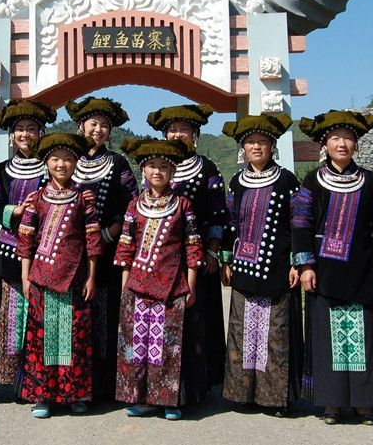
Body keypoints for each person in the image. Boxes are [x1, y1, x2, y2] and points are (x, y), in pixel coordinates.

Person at [291, 110, 373, 425]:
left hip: (361, 270)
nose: (342, 144)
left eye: (348, 138)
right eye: (335, 138)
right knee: (326, 336)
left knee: (362, 335)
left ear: (356, 144)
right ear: (325, 144)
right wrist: (305, 265)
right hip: (324, 272)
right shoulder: (312, 180)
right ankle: (331, 401)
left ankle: (363, 401)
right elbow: (301, 223)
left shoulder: (369, 181)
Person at [114, 137, 204, 421]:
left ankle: (168, 401)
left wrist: (191, 285)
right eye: (151, 165)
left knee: (167, 346)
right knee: (139, 345)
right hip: (137, 285)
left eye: (164, 166)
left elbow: (193, 245)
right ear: (143, 170)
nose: (157, 171)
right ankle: (142, 399)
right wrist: (125, 285)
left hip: (172, 287)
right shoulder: (133, 206)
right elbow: (126, 245)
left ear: (173, 171)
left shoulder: (183, 205)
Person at [219, 113, 302, 415]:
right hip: (243, 268)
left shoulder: (287, 180)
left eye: (262, 141)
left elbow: (298, 224)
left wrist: (297, 262)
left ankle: (274, 398)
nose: (256, 147)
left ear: (272, 146)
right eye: (250, 142)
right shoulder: (236, 182)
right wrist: (226, 260)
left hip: (278, 268)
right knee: (243, 332)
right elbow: (230, 223)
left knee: (275, 333)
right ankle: (242, 394)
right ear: (243, 148)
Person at [146, 104, 228, 396]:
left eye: (184, 129)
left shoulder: (207, 168)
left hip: (198, 256)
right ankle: (162, 380)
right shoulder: (156, 168)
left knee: (197, 317)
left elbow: (219, 214)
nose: (178, 134)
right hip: (163, 259)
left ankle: (196, 384)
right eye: (172, 129)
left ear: (195, 134)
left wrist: (213, 252)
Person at [16, 132, 101, 418]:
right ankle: (43, 396)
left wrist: (91, 277)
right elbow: (26, 239)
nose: (61, 164)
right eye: (55, 159)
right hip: (41, 277)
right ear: (46, 163)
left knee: (73, 336)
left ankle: (74, 394)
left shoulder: (84, 199)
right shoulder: (36, 199)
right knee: (43, 337)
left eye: (67, 159)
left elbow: (92, 241)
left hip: (76, 278)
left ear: (76, 163)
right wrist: (26, 277)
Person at [65, 96, 138, 400]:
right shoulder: (66, 158)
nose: (98, 130)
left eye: (104, 125)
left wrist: (111, 231)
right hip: (70, 252)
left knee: (105, 313)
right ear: (81, 126)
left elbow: (132, 203)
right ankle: (74, 382)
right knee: (73, 312)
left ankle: (104, 384)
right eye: (93, 123)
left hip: (107, 252)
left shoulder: (118, 163)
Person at [0, 100, 57, 389]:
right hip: (10, 250)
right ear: (12, 135)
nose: (25, 134)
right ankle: (13, 379)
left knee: (43, 314)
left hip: (46, 252)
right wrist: (15, 210)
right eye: (20, 129)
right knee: (13, 316)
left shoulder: (51, 167)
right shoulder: (2, 169)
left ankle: (41, 378)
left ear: (41, 132)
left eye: (31, 128)